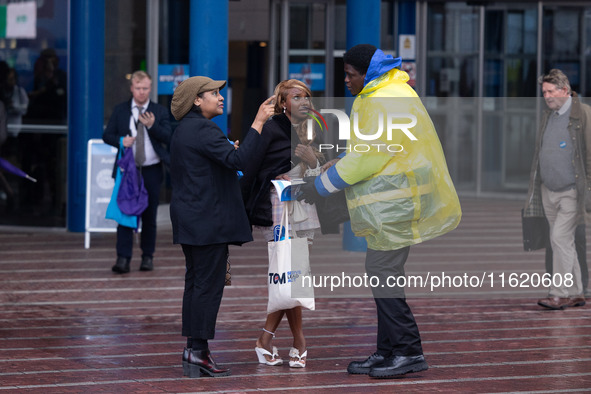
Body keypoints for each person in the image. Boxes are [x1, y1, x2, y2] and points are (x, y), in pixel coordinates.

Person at [298, 44, 461, 379]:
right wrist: (340, 162)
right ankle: (389, 351)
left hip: (394, 205)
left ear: (366, 73)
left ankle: (408, 351)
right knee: (384, 275)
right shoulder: (390, 91)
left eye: (350, 74)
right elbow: (373, 150)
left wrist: (321, 185)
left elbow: (369, 157)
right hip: (396, 203)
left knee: (383, 274)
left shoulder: (381, 99)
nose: (345, 80)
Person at [169, 76, 274, 378]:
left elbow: (219, 162)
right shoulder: (203, 129)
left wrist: (228, 152)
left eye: (219, 92)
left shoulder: (187, 130)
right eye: (213, 93)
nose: (220, 97)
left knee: (197, 284)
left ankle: (194, 350)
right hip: (207, 222)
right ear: (196, 101)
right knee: (208, 286)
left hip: (194, 220)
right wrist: (257, 122)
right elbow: (239, 159)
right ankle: (198, 351)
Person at [240, 79, 324, 368]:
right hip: (278, 207)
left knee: (291, 273)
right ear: (284, 103)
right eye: (297, 97)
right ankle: (297, 342)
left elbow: (315, 166)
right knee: (292, 273)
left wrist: (312, 162)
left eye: (307, 97)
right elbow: (252, 165)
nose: (305, 102)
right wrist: (279, 175)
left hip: (300, 206)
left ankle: (267, 339)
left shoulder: (309, 129)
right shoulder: (273, 127)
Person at [524, 69, 590, 309]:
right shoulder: (548, 116)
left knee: (559, 239)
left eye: (551, 91)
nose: (547, 96)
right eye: (544, 92)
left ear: (565, 90)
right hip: (548, 190)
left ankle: (558, 293)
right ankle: (577, 292)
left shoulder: (583, 114)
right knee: (564, 242)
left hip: (572, 191)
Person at [102, 70, 172, 274]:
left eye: (145, 88)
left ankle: (147, 257)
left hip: (151, 169)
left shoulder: (159, 112)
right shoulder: (120, 110)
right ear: (132, 88)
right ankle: (123, 258)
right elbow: (107, 135)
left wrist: (152, 127)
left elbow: (168, 137)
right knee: (125, 213)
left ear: (150, 89)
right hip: (128, 171)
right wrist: (120, 141)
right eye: (138, 88)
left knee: (150, 216)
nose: (142, 92)